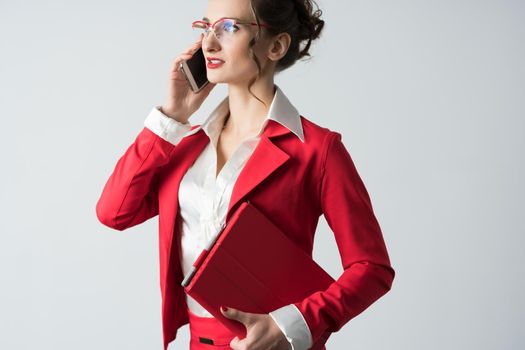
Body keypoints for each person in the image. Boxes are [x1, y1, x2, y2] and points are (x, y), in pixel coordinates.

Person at [95, 0, 395, 349]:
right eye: (206, 27)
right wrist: (173, 115)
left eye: (228, 28)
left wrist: (292, 325)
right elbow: (114, 212)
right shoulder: (186, 145)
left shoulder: (317, 149)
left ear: (277, 45)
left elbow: (372, 268)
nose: (208, 43)